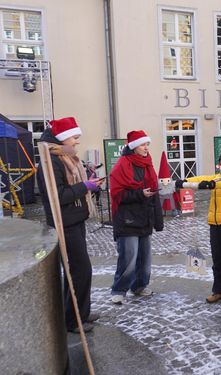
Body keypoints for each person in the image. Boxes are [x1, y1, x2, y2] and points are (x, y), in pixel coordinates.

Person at [37, 117, 103, 333]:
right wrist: (85, 187)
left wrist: (89, 184)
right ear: (64, 138)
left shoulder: (66, 157)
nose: (77, 142)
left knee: (77, 271)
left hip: (75, 220)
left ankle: (78, 313)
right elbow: (58, 194)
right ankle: (74, 319)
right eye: (75, 138)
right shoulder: (51, 160)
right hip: (63, 223)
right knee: (80, 270)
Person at [175, 150, 221, 307]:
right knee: (218, 258)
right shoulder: (217, 177)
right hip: (214, 223)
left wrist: (212, 184)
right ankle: (220, 290)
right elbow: (204, 178)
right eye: (220, 164)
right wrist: (186, 181)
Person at [109, 130, 164, 304]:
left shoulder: (147, 163)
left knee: (144, 257)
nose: (146, 148)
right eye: (143, 144)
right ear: (134, 147)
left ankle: (139, 286)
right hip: (127, 219)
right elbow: (118, 194)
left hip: (145, 216)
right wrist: (140, 194)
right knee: (129, 258)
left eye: (147, 144)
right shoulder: (122, 165)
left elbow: (153, 190)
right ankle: (119, 290)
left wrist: (157, 219)